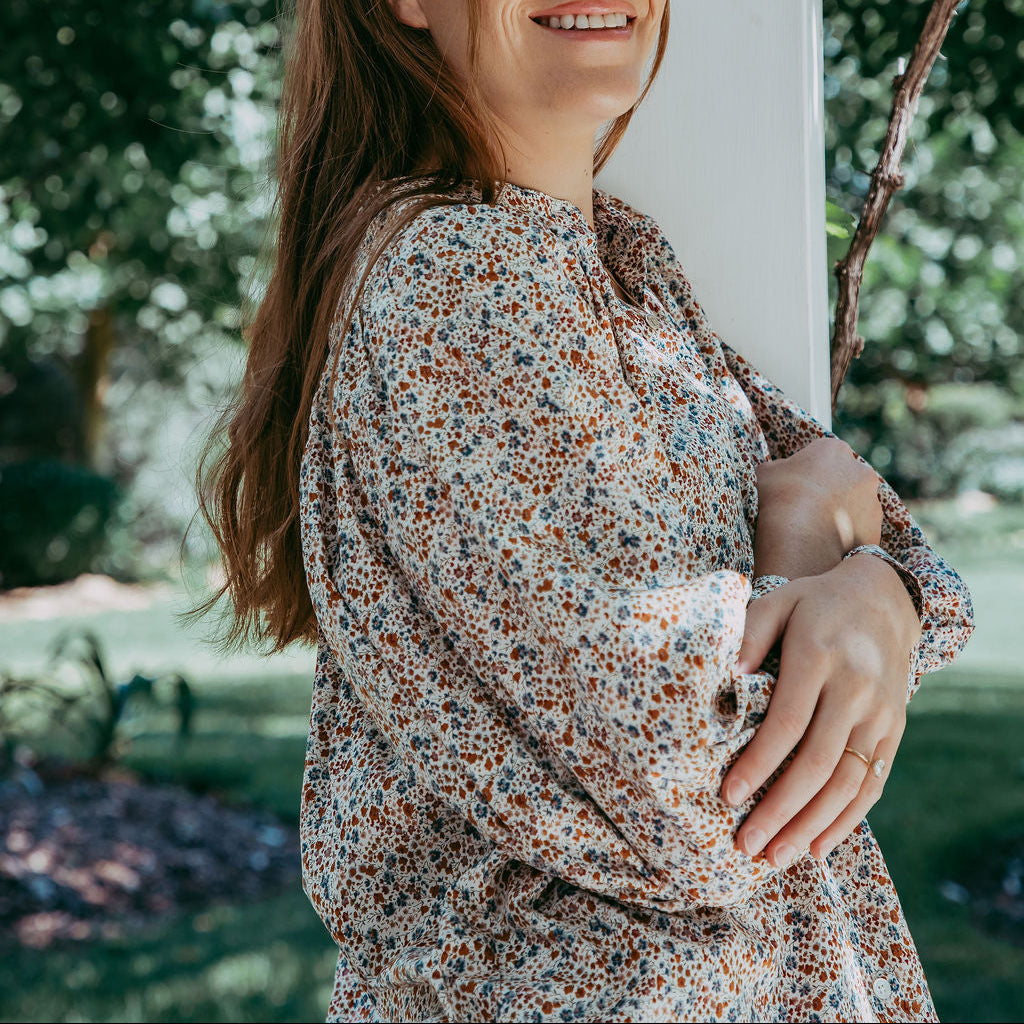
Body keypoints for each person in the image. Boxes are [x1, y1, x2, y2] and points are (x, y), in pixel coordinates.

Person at [192, 0, 976, 1020]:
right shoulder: (456, 282)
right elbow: (705, 798)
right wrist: (801, 561)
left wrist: (875, 588)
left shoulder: (618, 265)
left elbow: (880, 527)